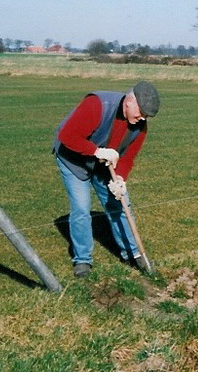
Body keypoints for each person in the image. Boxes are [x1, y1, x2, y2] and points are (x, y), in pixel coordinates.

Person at [52, 81, 160, 277]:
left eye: (146, 116)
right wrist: (97, 151)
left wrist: (120, 178)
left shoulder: (140, 127)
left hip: (104, 164)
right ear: (130, 102)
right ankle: (83, 260)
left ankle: (134, 254)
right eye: (141, 113)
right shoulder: (97, 105)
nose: (143, 118)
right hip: (73, 160)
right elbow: (68, 136)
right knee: (81, 208)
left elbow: (128, 157)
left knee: (119, 203)